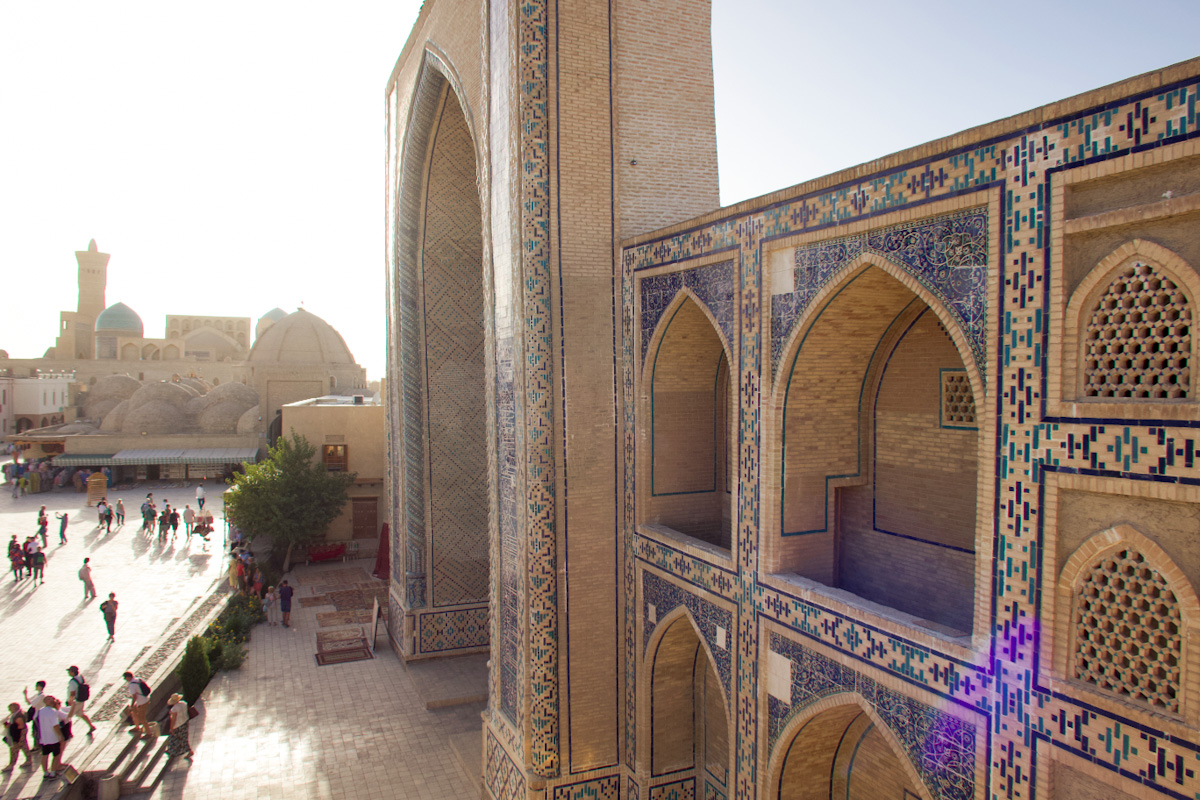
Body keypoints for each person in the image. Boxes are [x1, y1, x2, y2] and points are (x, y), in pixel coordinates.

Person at [34, 696, 68, 781]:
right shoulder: (52, 711)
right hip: (53, 738)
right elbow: (55, 725)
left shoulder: (40, 711)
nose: (52, 700)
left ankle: (45, 773)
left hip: (44, 738)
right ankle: (53, 773)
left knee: (45, 755)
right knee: (56, 755)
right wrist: (60, 736)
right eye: (50, 699)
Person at [2, 703, 34, 771]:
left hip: (18, 734)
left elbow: (20, 726)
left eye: (10, 708)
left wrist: (10, 727)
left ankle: (11, 765)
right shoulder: (15, 714)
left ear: (15, 708)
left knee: (14, 749)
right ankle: (28, 760)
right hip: (19, 734)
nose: (9, 710)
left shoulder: (18, 716)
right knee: (24, 746)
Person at [65, 667, 96, 735]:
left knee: (68, 717)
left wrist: (70, 702)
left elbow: (72, 693)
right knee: (80, 714)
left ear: (72, 672)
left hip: (75, 702)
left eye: (69, 671)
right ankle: (91, 726)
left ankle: (68, 733)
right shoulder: (80, 677)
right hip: (81, 700)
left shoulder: (72, 682)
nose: (68, 673)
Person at [164, 693, 192, 760]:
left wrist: (171, 728)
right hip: (185, 722)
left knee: (174, 738)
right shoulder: (184, 703)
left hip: (178, 725)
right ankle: (172, 751)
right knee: (183, 737)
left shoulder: (174, 709)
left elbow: (173, 719)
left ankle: (188, 751)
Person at [122, 673, 150, 738]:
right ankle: (137, 727)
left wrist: (132, 705)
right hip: (144, 699)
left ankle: (149, 733)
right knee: (134, 712)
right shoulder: (138, 679)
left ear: (128, 677)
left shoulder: (132, 685)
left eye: (125, 678)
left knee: (142, 718)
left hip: (142, 702)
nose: (125, 679)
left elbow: (134, 697)